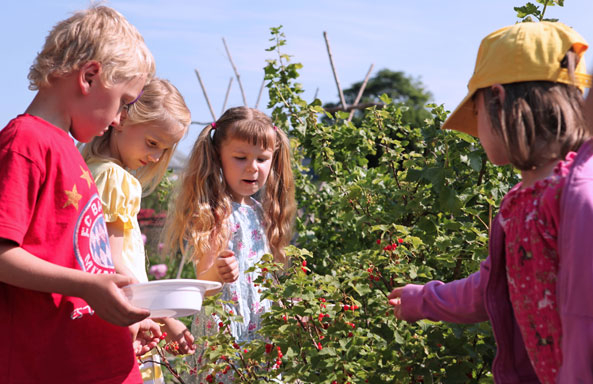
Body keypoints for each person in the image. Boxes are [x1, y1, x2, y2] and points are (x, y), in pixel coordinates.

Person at [387, 21, 593, 383]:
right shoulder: (521, 202)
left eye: (476, 111)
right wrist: (423, 299)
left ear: (497, 99)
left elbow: (585, 316)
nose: (476, 127)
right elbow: (495, 287)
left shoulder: (575, 196)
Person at [0, 5, 162, 383]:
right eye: (124, 102)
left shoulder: (66, 150)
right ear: (89, 76)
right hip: (53, 366)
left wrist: (127, 307)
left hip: (95, 360)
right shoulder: (24, 142)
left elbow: (85, 259)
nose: (120, 120)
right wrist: (88, 287)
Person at [164, 106, 296, 382]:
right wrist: (220, 274)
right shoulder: (216, 211)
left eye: (262, 159)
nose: (252, 167)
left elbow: (265, 279)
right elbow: (206, 279)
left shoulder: (263, 212)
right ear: (217, 157)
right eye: (240, 157)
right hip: (226, 331)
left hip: (260, 329)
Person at [79, 77, 194, 382]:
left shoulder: (88, 168)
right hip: (125, 317)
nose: (155, 158)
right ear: (122, 119)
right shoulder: (116, 179)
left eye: (164, 150)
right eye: (152, 143)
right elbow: (111, 263)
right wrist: (160, 314)